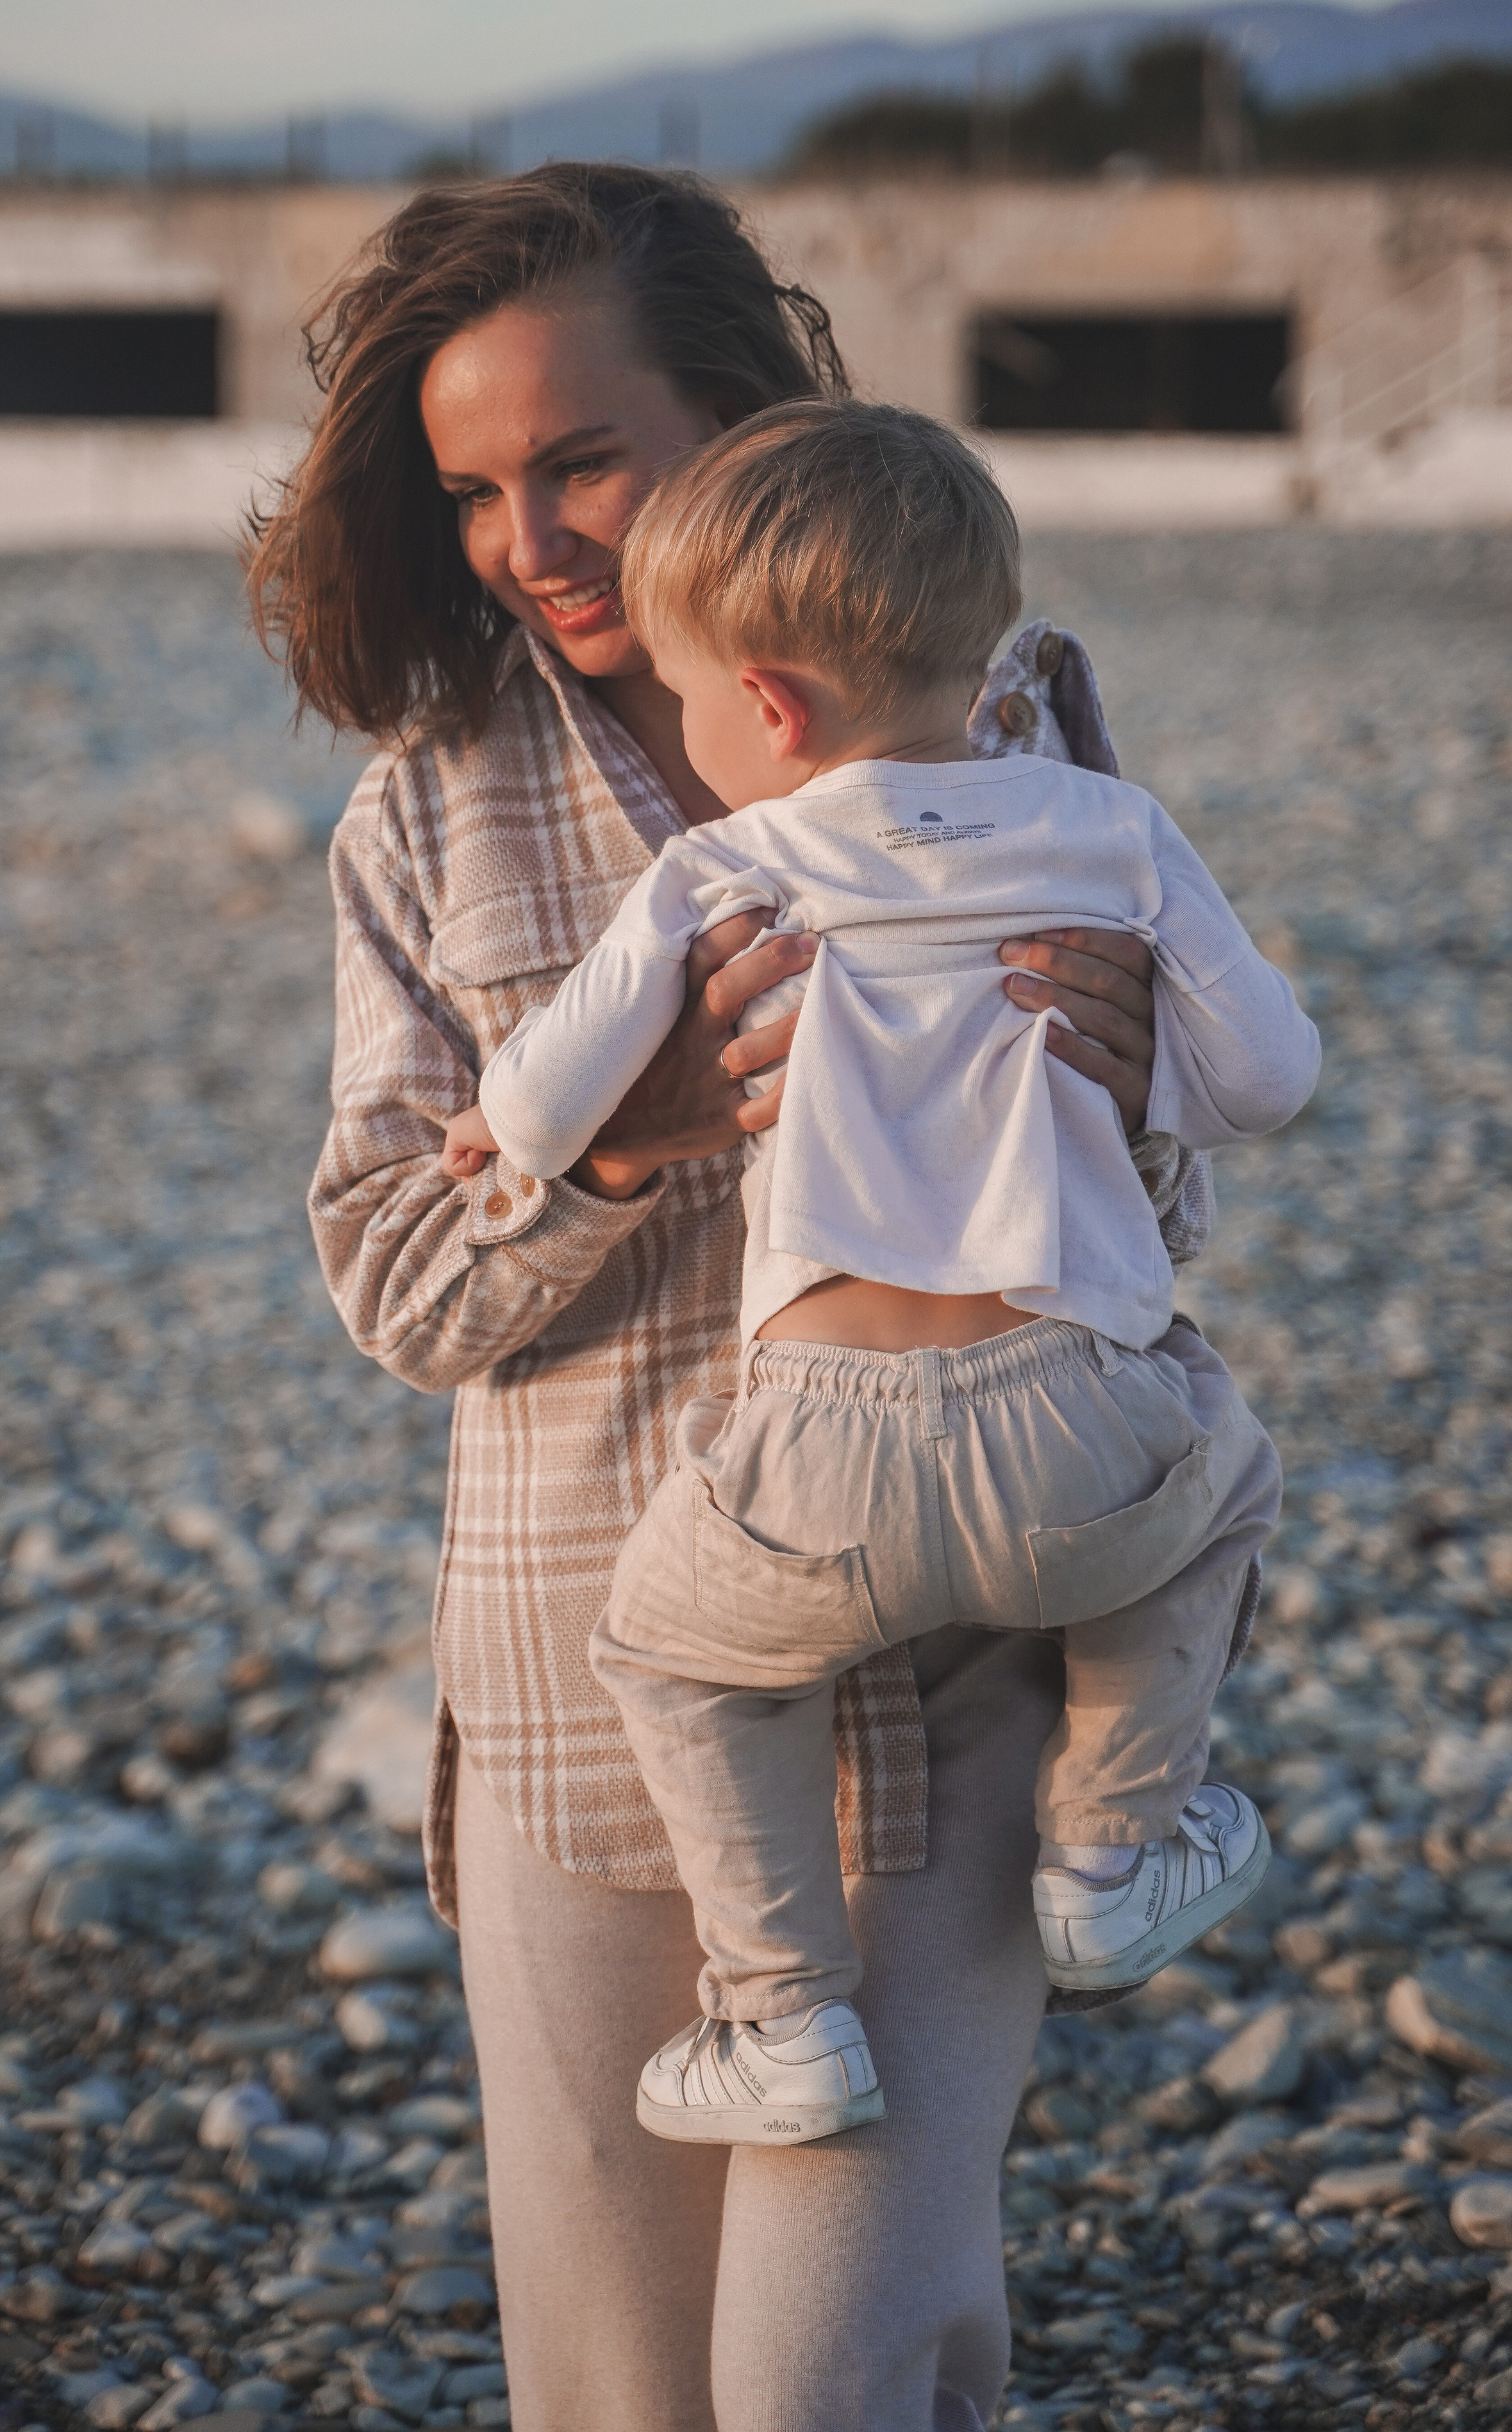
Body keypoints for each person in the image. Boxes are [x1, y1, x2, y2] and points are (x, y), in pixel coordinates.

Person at [250, 162, 1204, 2432]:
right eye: (475, 489)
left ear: (749, 417)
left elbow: (1140, 1200)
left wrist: (1147, 1089)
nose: (531, 538)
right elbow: (392, 1275)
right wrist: (641, 1125)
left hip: (965, 1675)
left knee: (837, 2375)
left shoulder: (1016, 711)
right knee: (620, 2389)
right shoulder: (432, 811)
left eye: (582, 457)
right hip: (601, 1711)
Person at [440, 397, 1317, 2145]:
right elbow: (1275, 1081)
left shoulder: (725, 858)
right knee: (1221, 1481)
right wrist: (1158, 1075)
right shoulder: (1106, 829)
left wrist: (508, 1140)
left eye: (698, 702)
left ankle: (780, 2018)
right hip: (1078, 1418)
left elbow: (542, 1101)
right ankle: (1115, 1850)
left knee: (675, 1658)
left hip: (820, 1456)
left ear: (767, 704)